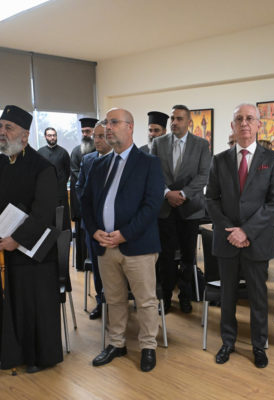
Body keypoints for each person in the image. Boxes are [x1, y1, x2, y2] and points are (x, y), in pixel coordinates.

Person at [0, 105, 62, 373]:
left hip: (31, 254)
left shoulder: (42, 167)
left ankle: (36, 356)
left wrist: (17, 239)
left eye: (8, 128)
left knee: (31, 306)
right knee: (6, 303)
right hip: (0, 250)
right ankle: (8, 353)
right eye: (0, 127)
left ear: (24, 135)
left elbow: (43, 213)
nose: (2, 132)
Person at [82, 108, 164, 373]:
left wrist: (125, 233)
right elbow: (86, 203)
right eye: (107, 122)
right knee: (113, 298)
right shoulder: (98, 165)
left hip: (137, 246)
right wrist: (94, 230)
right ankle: (117, 343)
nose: (108, 127)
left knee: (145, 300)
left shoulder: (149, 163)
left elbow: (152, 206)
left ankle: (148, 346)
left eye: (114, 122)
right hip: (105, 245)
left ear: (130, 127)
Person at [206, 103, 274, 368]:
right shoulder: (219, 160)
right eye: (239, 119)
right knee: (227, 296)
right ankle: (227, 342)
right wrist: (231, 230)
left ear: (259, 124)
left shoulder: (273, 160)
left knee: (258, 297)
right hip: (227, 240)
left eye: (250, 118)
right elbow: (211, 200)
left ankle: (259, 345)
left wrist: (246, 231)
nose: (244, 123)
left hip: (257, 240)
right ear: (232, 126)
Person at [151, 105, 211, 314]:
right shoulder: (158, 143)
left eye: (179, 119)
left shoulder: (201, 144)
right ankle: (166, 298)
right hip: (165, 208)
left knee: (188, 257)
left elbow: (204, 175)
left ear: (189, 122)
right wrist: (167, 193)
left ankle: (185, 296)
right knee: (165, 257)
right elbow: (153, 173)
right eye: (172, 119)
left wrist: (183, 194)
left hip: (190, 208)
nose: (174, 122)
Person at [76, 121, 113, 319]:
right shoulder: (88, 160)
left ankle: (118, 303)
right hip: (92, 225)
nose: (96, 140)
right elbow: (79, 187)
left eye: (101, 136)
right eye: (95, 136)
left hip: (115, 227)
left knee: (116, 269)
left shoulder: (120, 161)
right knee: (98, 267)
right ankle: (101, 302)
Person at [70, 117, 97, 270]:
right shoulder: (76, 151)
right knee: (82, 235)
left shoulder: (100, 149)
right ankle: (82, 265)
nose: (85, 134)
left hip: (98, 201)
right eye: (83, 131)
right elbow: (76, 175)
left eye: (88, 131)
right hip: (81, 201)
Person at [37, 127, 71, 231]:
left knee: (62, 222)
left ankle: (65, 240)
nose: (52, 137)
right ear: (45, 137)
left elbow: (67, 171)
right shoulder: (40, 152)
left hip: (60, 193)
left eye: (54, 135)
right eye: (49, 135)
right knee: (47, 223)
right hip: (45, 194)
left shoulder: (63, 152)